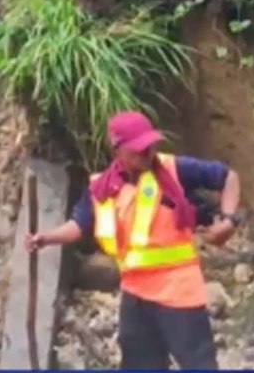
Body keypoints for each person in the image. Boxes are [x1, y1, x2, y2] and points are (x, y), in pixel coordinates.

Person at [26, 111, 242, 371]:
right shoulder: (101, 188)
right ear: (118, 150)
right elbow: (79, 225)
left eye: (150, 146)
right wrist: (46, 238)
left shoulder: (173, 169)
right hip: (136, 296)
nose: (148, 153)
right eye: (139, 149)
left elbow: (228, 177)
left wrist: (229, 221)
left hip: (179, 294)